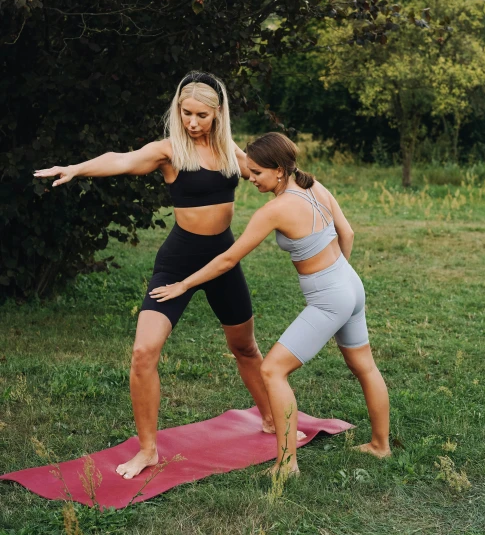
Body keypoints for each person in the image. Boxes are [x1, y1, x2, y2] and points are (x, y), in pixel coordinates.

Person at [34, 72, 281, 480]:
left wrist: (307, 195)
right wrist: (76, 168)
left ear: (218, 114)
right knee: (143, 353)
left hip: (222, 260)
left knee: (245, 348)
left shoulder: (228, 149)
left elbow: (270, 175)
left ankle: (271, 418)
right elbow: (121, 159)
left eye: (201, 114)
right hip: (178, 261)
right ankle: (147, 449)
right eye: (185, 113)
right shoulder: (169, 152)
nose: (192, 122)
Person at [149, 131, 391, 476]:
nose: (250, 179)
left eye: (256, 173)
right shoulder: (313, 186)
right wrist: (339, 282)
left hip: (331, 298)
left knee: (273, 370)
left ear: (278, 170)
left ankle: (286, 464)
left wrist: (183, 284)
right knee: (365, 366)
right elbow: (347, 233)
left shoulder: (275, 209)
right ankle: (380, 446)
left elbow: (227, 260)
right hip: (351, 284)